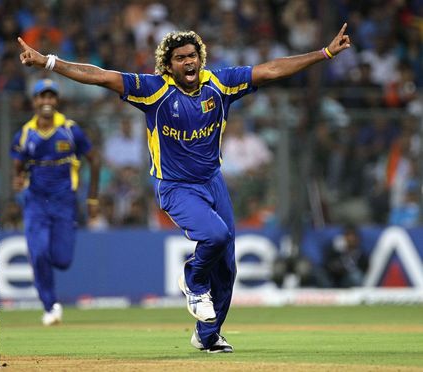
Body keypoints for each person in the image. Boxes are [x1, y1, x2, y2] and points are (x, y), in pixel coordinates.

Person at [18, 24, 351, 351]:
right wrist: (49, 62)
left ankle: (207, 335)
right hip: (176, 186)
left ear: (200, 58)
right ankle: (192, 279)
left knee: (228, 268)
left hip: (213, 182)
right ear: (168, 65)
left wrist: (323, 53)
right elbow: (101, 76)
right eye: (180, 58)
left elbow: (271, 70)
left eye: (192, 55)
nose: (189, 62)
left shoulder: (219, 83)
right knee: (215, 236)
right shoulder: (153, 89)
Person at [10, 78, 100, 325]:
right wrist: (17, 180)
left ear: (56, 100)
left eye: (51, 97)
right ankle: (50, 307)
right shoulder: (25, 133)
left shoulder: (70, 130)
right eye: (42, 97)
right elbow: (18, 166)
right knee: (38, 253)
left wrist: (92, 198)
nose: (47, 101)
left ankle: (45, 267)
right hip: (36, 201)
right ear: (35, 101)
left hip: (64, 202)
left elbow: (94, 160)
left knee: (62, 260)